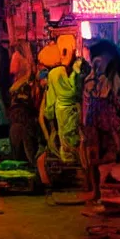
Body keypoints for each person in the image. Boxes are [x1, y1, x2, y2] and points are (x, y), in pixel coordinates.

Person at [38, 36, 84, 195]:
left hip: (62, 110)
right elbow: (77, 90)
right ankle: (77, 171)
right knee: (75, 139)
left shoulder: (54, 74)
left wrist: (48, 115)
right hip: (76, 108)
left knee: (66, 140)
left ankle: (70, 172)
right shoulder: (74, 69)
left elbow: (51, 101)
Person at [82, 40, 120, 203]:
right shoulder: (105, 81)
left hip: (94, 123)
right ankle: (99, 191)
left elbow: (87, 103)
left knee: (95, 157)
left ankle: (98, 191)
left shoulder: (90, 81)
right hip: (101, 123)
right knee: (110, 154)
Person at [6, 44, 43, 164]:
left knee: (23, 146)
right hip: (22, 114)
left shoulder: (26, 82)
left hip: (21, 114)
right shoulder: (28, 78)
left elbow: (12, 70)